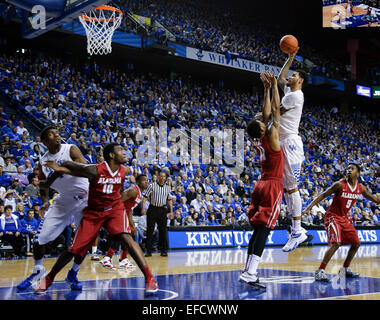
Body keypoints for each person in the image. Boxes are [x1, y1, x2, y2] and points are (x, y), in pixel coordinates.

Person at [35, 143, 158, 294]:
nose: (124, 153)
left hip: (114, 210)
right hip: (94, 213)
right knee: (73, 249)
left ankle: (150, 278)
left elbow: (119, 190)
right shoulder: (95, 170)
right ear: (111, 155)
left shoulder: (125, 170)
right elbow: (71, 166)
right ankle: (49, 278)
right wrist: (59, 168)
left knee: (127, 237)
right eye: (120, 150)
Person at [17, 126, 89, 291]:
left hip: (87, 198)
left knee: (82, 242)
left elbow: (85, 168)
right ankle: (38, 271)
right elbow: (43, 185)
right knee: (39, 238)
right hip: (64, 200)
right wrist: (44, 201)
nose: (57, 134)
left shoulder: (70, 148)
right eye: (52, 133)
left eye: (57, 132)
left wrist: (60, 168)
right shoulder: (43, 161)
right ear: (44, 141)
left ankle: (73, 274)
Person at [238, 72, 283, 289]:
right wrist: (274, 86)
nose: (264, 122)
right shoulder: (272, 136)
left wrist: (264, 89)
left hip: (261, 184)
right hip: (273, 184)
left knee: (258, 230)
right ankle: (251, 272)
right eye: (263, 123)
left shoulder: (258, 137)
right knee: (264, 230)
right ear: (263, 129)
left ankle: (248, 271)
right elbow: (274, 110)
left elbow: (265, 115)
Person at [303, 163, 380, 282]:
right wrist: (309, 207)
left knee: (356, 243)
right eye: (348, 168)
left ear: (357, 173)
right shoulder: (339, 184)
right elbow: (323, 194)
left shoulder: (361, 188)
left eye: (352, 169)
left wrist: (377, 199)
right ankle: (320, 271)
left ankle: (345, 269)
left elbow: (374, 199)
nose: (349, 170)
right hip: (332, 217)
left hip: (344, 218)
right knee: (336, 243)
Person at [277, 47, 309, 252]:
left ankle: (298, 230)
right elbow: (281, 80)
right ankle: (295, 228)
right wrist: (289, 59)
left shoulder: (295, 97)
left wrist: (258, 118)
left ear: (300, 80)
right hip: (285, 141)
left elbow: (275, 114)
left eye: (294, 74)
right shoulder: (291, 92)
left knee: (292, 187)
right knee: (288, 188)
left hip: (290, 143)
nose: (291, 75)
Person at [99, 174, 149, 270]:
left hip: (124, 213)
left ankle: (123, 259)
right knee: (121, 235)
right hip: (117, 212)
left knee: (129, 234)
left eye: (147, 180)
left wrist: (132, 224)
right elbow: (117, 201)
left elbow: (129, 209)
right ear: (138, 182)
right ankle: (107, 258)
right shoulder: (133, 191)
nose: (146, 182)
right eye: (144, 180)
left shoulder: (140, 194)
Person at [141, 170, 173, 257]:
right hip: (152, 209)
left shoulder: (167, 187)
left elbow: (169, 200)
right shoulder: (151, 185)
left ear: (165, 178)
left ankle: (164, 250)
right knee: (150, 230)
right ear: (158, 177)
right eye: (161, 176)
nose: (162, 178)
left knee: (163, 231)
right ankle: (148, 250)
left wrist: (171, 211)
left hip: (162, 210)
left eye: (164, 176)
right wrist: (143, 208)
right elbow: (145, 197)